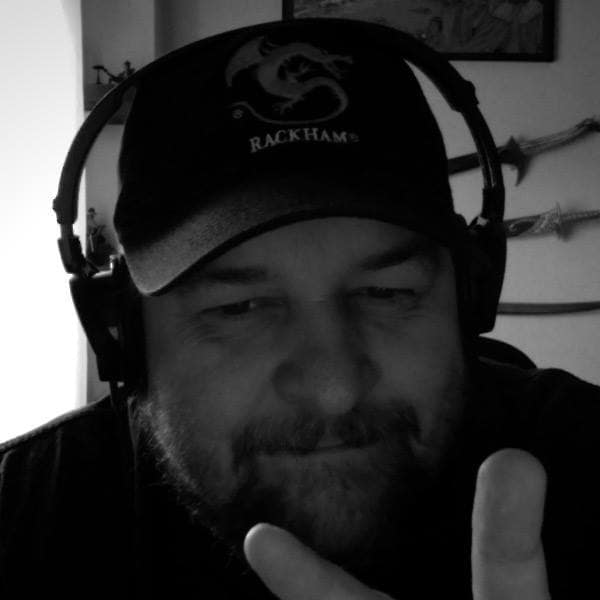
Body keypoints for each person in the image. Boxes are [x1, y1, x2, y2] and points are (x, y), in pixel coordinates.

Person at [0, 17, 598, 599]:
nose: (334, 390)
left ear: (471, 297)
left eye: (386, 293)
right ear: (122, 337)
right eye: (240, 307)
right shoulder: (20, 519)